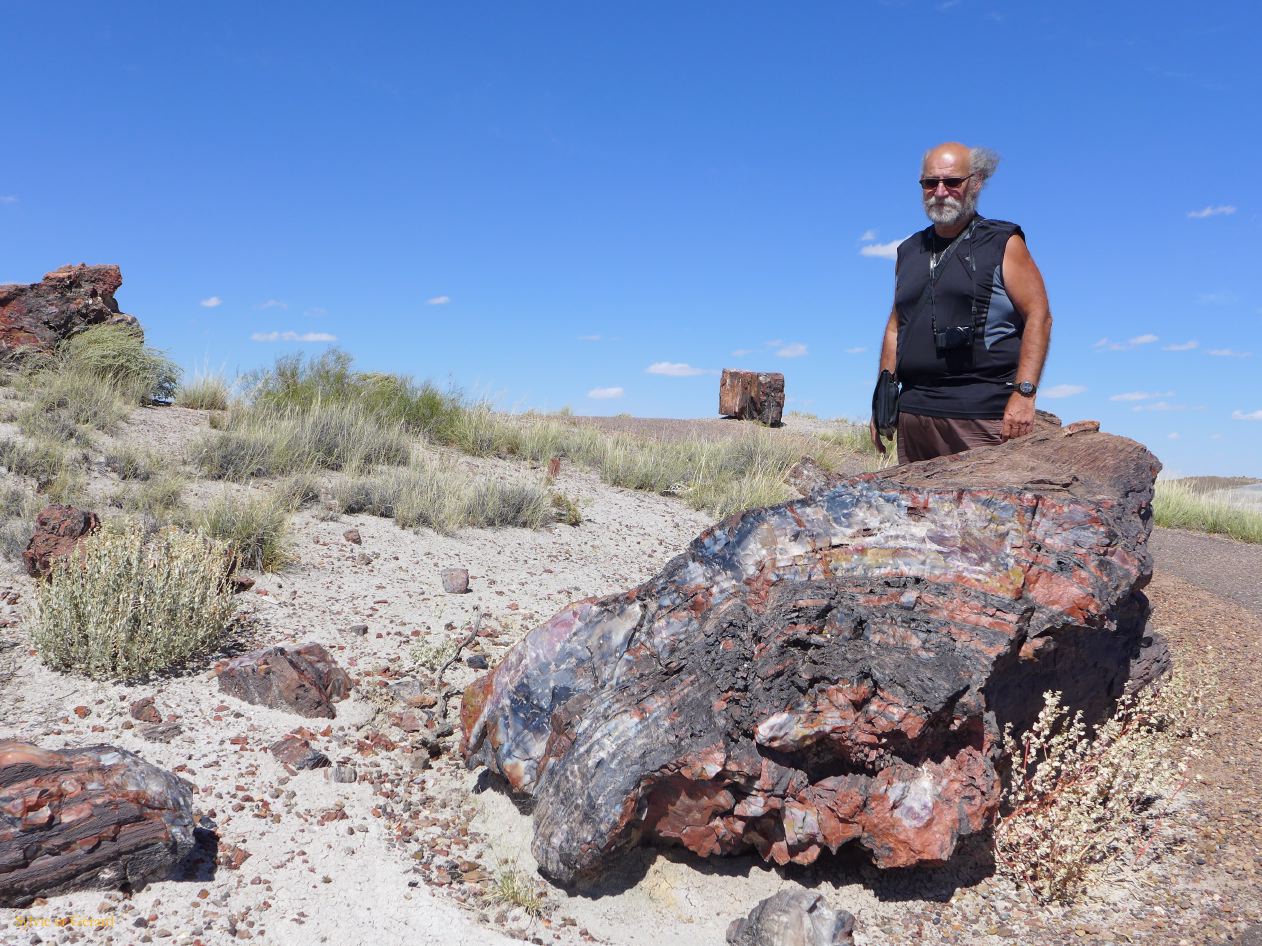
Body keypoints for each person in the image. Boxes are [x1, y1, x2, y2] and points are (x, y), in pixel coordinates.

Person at [870, 142, 1052, 463]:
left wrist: (1024, 394)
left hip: (981, 414)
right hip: (916, 414)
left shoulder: (1003, 242)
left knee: (988, 512)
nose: (940, 191)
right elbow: (896, 328)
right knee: (916, 512)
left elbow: (1039, 316)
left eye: (952, 182)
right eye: (930, 183)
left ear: (976, 182)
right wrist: (882, 400)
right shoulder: (909, 251)